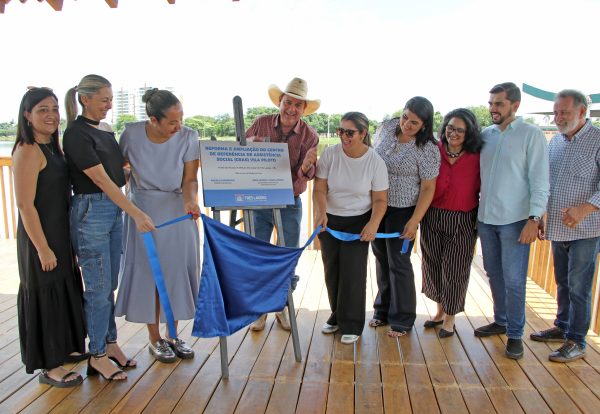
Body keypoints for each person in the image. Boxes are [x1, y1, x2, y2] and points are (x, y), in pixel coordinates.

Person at [63, 74, 155, 381]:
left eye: (111, 99)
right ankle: (97, 355)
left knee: (108, 283)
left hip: (113, 209)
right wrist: (136, 212)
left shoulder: (104, 130)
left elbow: (117, 174)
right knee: (99, 287)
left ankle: (111, 344)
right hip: (92, 210)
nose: (109, 105)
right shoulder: (76, 134)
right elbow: (100, 179)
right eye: (104, 99)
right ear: (84, 99)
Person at [115, 88, 200, 363]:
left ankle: (173, 334)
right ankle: (154, 338)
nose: (179, 126)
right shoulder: (130, 134)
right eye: (172, 121)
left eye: (181, 118)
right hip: (143, 212)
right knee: (149, 275)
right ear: (153, 120)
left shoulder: (189, 136)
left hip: (177, 208)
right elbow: (119, 168)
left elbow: (189, 179)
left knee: (175, 273)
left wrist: (191, 201)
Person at [12, 87, 86, 388]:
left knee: (63, 289)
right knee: (45, 295)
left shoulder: (53, 148)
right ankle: (50, 366)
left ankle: (64, 349)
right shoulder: (27, 150)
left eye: (54, 108)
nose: (52, 115)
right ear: (27, 116)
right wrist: (42, 248)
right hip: (39, 237)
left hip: (60, 233)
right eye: (43, 109)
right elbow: (24, 205)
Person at [474, 82, 550, 360]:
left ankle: (515, 334)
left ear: (515, 106)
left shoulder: (532, 135)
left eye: (499, 103)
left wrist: (534, 218)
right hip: (486, 218)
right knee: (493, 273)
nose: (493, 108)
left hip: (517, 221)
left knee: (515, 280)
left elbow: (540, 182)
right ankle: (501, 319)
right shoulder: (486, 135)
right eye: (491, 103)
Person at [529, 90, 600, 362]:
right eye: (556, 112)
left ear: (582, 113)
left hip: (587, 230)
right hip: (558, 228)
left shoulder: (597, 140)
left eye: (564, 113)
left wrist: (585, 208)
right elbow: (545, 183)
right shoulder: (555, 141)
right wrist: (541, 217)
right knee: (563, 282)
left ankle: (577, 340)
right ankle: (562, 326)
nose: (558, 118)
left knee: (579, 286)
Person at [245, 77, 320, 331]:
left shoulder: (311, 136)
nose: (291, 109)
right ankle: (259, 311)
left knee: (287, 258)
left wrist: (308, 166)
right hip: (258, 201)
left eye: (298, 105)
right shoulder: (260, 123)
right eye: (288, 102)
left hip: (290, 203)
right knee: (257, 257)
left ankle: (280, 307)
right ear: (280, 102)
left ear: (303, 109)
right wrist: (249, 147)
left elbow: (305, 176)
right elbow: (240, 154)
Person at [313, 112, 388, 344]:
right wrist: (320, 212)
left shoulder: (375, 161)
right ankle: (337, 316)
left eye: (349, 132)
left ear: (363, 133)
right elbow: (319, 188)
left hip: (359, 221)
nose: (343, 136)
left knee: (353, 274)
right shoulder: (330, 154)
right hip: (331, 221)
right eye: (340, 131)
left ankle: (353, 325)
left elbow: (379, 201)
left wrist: (373, 224)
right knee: (332, 271)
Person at [371, 96, 441, 337]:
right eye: (405, 117)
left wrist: (414, 221)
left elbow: (428, 188)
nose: (406, 124)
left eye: (414, 122)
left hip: (404, 211)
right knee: (380, 258)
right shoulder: (387, 128)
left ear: (424, 124)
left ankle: (402, 320)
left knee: (399, 262)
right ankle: (382, 310)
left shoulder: (428, 148)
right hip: (378, 206)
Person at [420, 108, 482, 338]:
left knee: (455, 268)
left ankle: (450, 319)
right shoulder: (433, 150)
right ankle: (439, 312)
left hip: (463, 217)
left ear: (469, 132)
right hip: (432, 214)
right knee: (432, 264)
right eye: (450, 127)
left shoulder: (478, 154)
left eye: (460, 129)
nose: (453, 133)